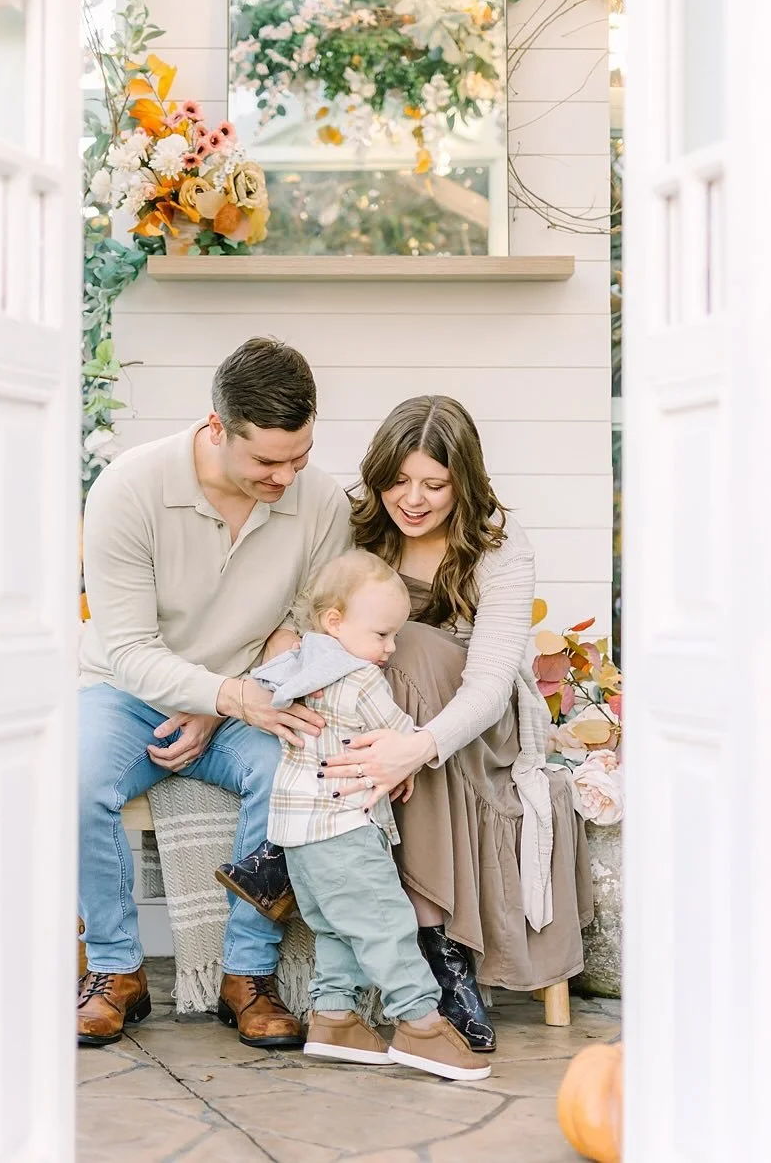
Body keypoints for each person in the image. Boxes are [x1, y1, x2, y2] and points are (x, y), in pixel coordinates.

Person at [76, 338, 351, 1049]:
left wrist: (221, 702)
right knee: (75, 781)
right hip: (127, 692)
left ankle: (246, 977)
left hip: (246, 695)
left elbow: (304, 624)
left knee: (292, 772)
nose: (286, 476)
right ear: (216, 428)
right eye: (266, 461)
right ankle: (115, 971)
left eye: (300, 455)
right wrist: (219, 696)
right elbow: (131, 650)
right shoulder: (127, 490)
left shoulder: (319, 500)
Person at [318, 395, 593, 1052]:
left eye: (433, 485)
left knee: (408, 642)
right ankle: (439, 958)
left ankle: (436, 950)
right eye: (398, 481)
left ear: (462, 481)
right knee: (369, 659)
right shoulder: (355, 530)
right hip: (370, 716)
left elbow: (491, 684)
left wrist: (414, 748)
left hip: (474, 728)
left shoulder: (496, 545)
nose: (411, 500)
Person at [219, 549, 491, 1081]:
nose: (390, 649)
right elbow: (400, 735)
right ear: (334, 622)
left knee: (336, 929)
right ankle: (421, 1025)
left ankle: (335, 1017)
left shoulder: (291, 668)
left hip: (299, 835)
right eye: (382, 635)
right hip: (345, 829)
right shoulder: (359, 679)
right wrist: (408, 757)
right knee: (387, 925)